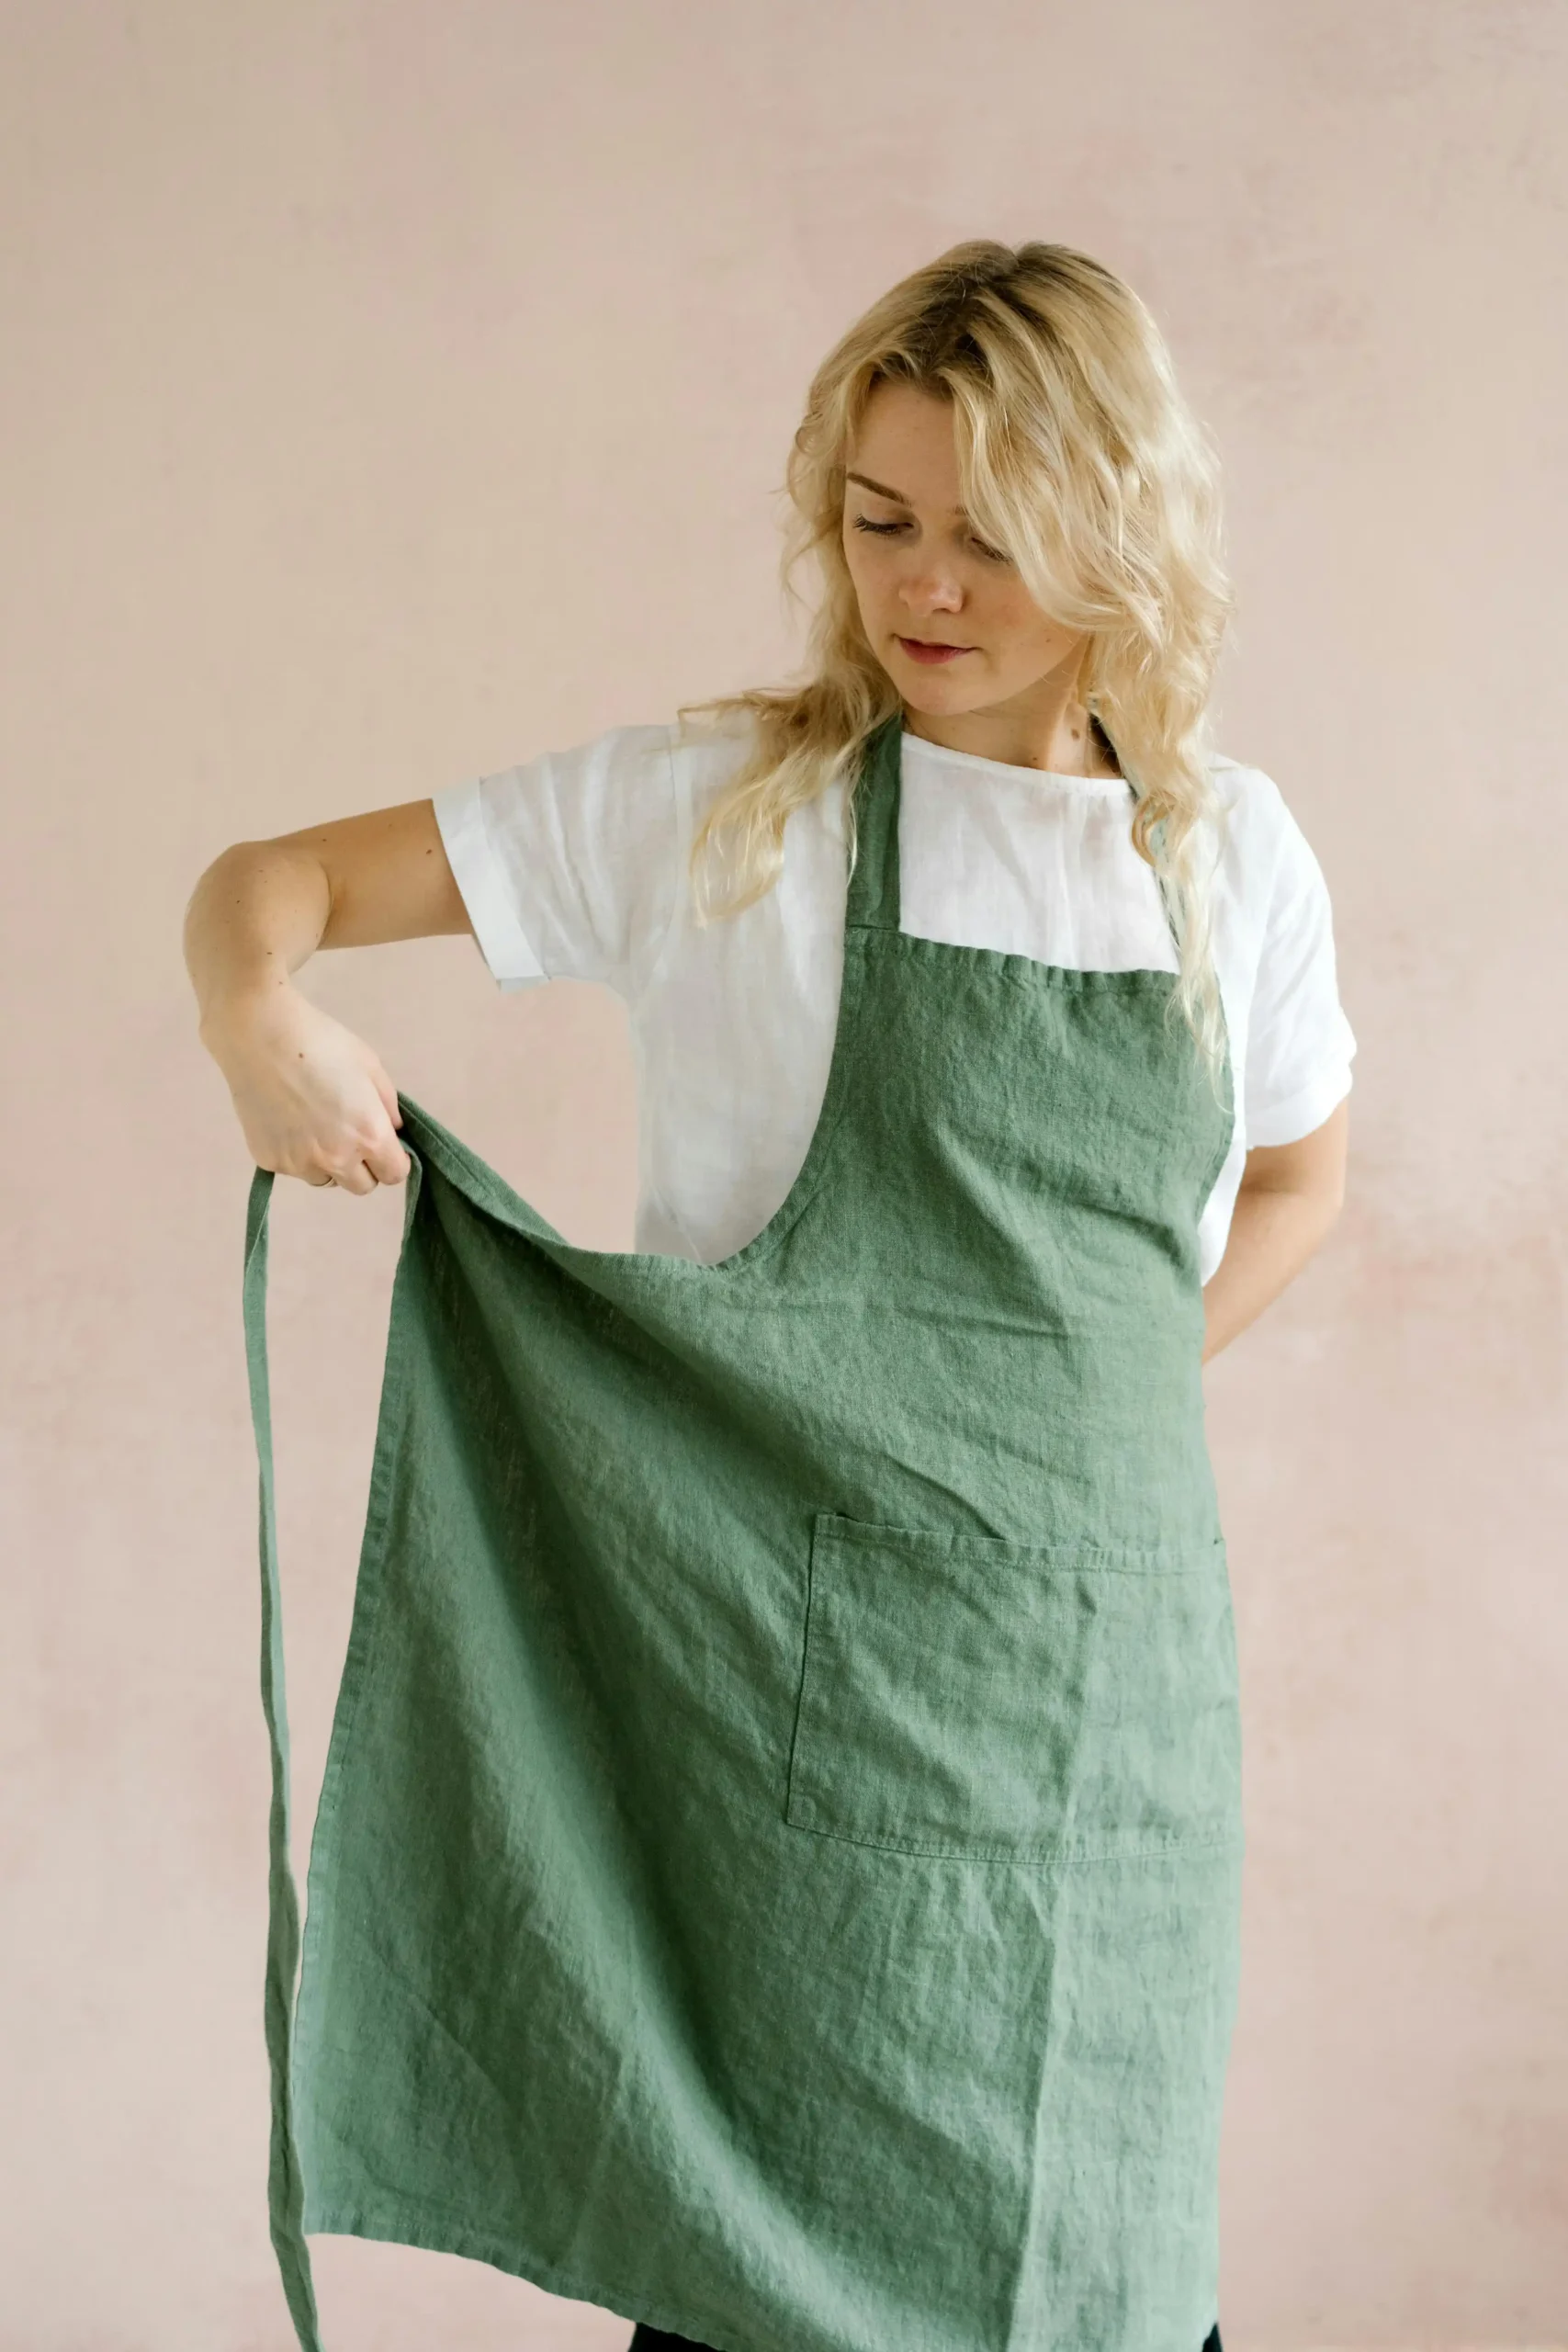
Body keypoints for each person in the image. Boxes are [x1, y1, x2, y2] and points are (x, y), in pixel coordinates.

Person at [186, 241, 1353, 2352]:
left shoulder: (1227, 854)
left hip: (1113, 1712)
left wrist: (1082, 1410)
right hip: (788, 1692)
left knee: (1102, 2286)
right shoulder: (732, 812)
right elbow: (263, 888)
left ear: (1118, 523)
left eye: (991, 533)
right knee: (771, 2286)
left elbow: (1298, 1170)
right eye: (879, 516)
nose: (925, 586)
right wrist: (257, 1018)